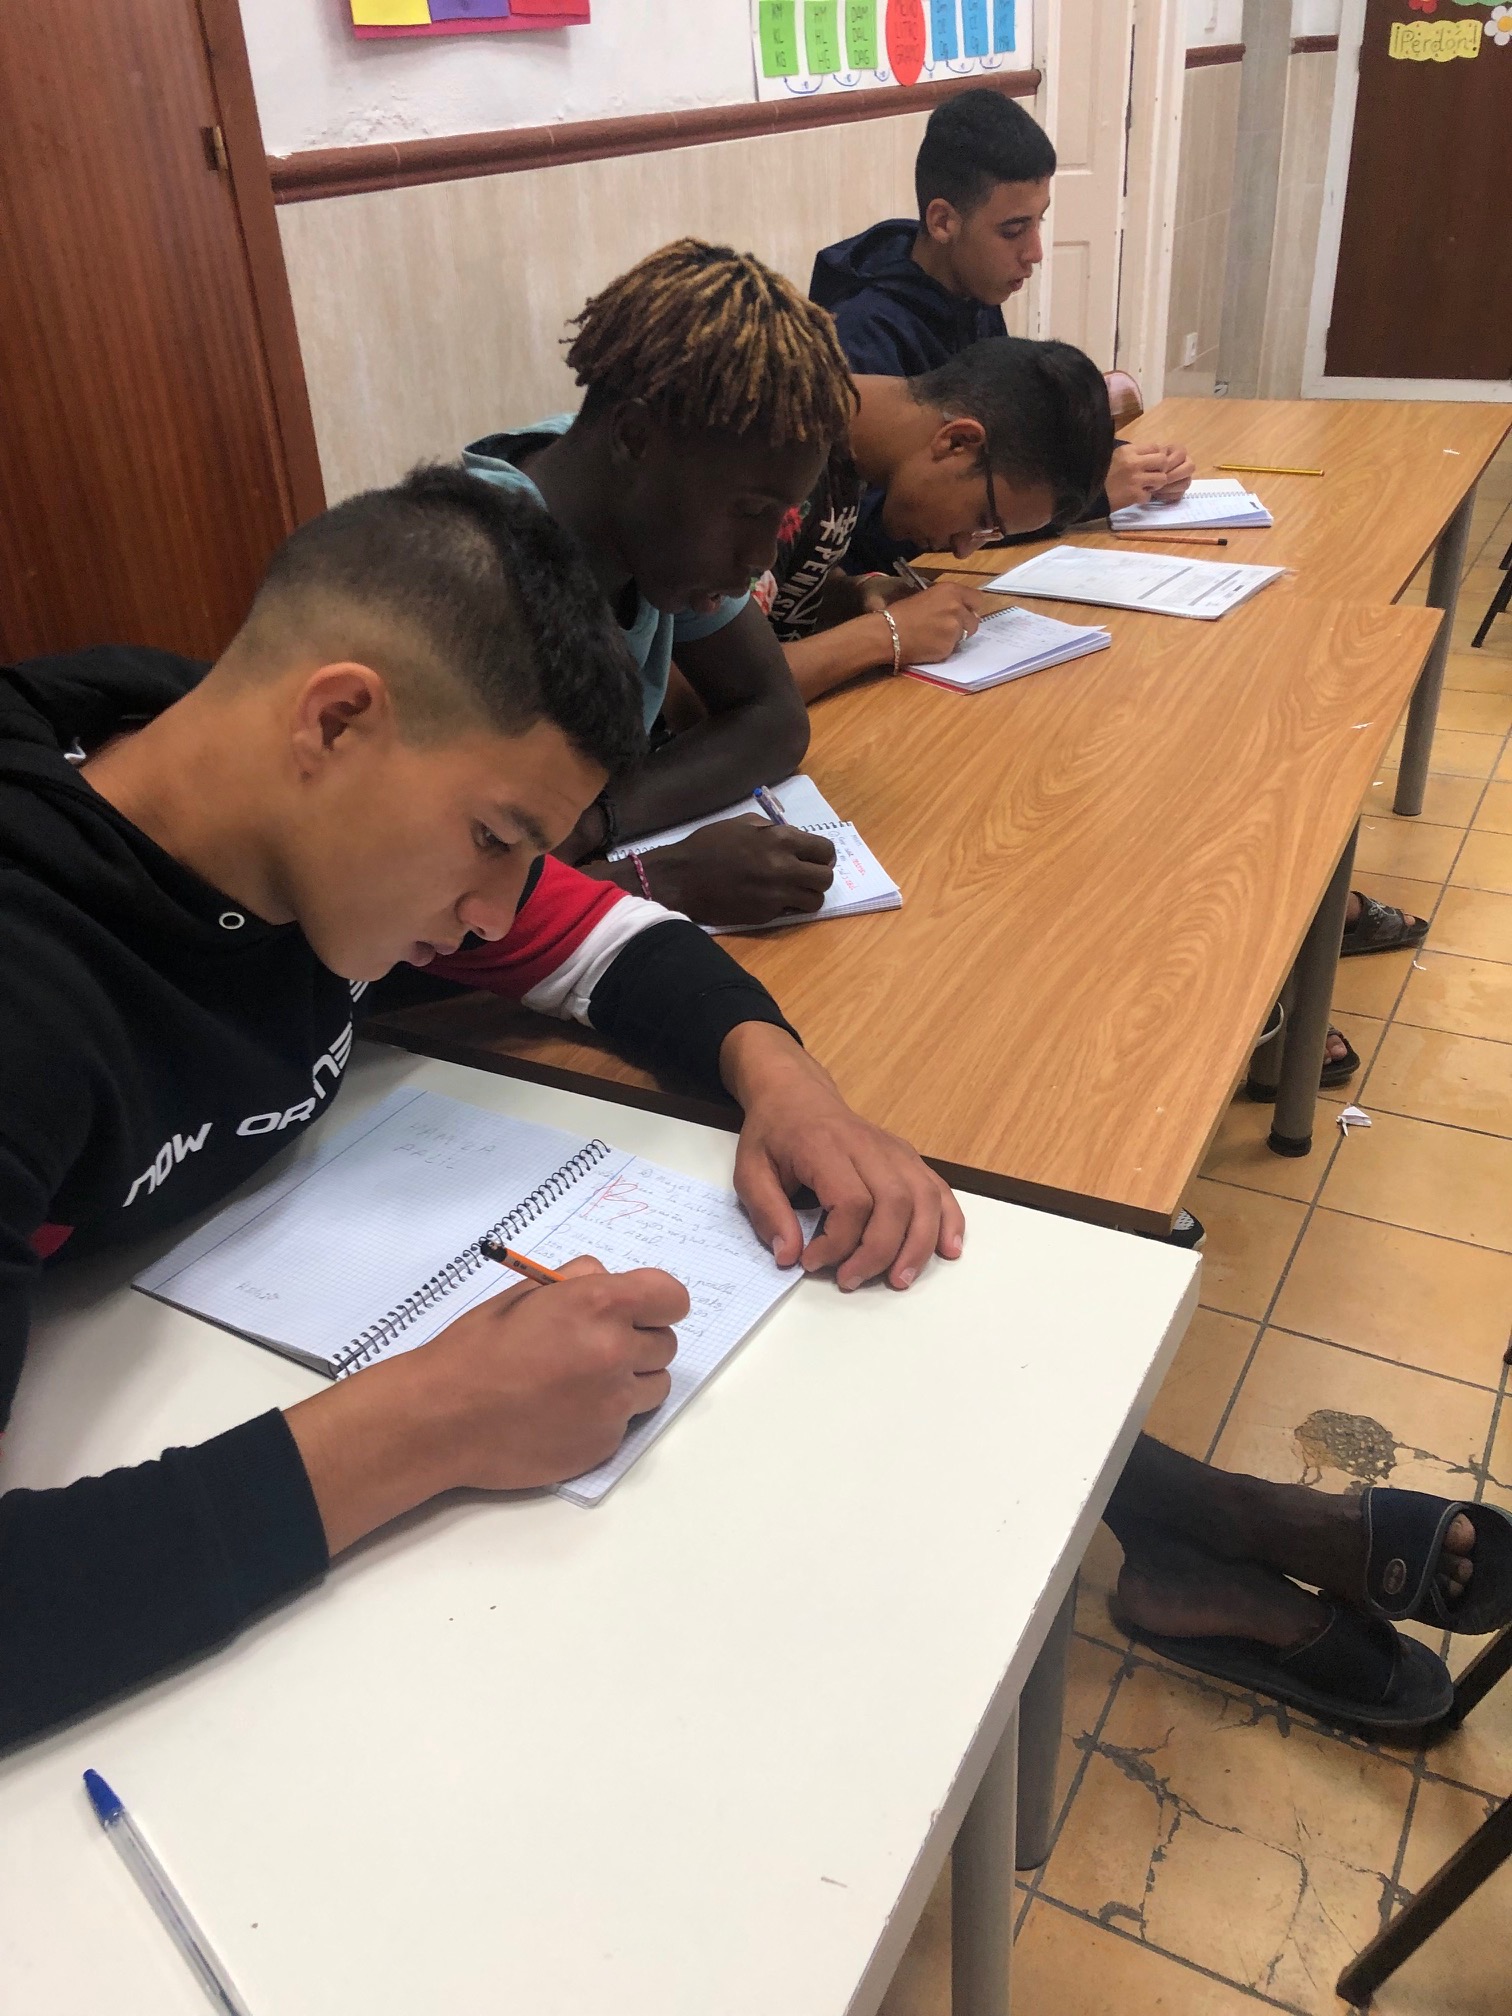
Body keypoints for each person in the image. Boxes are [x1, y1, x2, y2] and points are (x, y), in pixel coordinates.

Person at [0, 468, 966, 1751]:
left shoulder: (271, 801)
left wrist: (783, 1079)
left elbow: (604, 937)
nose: (497, 915)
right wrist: (439, 1417)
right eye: (496, 839)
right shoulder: (30, 995)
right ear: (335, 722)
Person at [462, 239, 861, 931]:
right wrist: (658, 879)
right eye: (749, 513)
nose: (762, 556)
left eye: (780, 518)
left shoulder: (649, 525)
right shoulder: (472, 574)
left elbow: (772, 716)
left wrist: (599, 820)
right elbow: (434, 896)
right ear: (635, 438)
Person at [809, 87, 1194, 570]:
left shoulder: (972, 291)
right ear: (943, 221)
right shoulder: (859, 329)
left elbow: (1013, 430)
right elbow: (866, 531)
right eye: (1013, 230)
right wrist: (1093, 496)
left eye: (1039, 222)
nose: (1035, 252)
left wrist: (1119, 464)